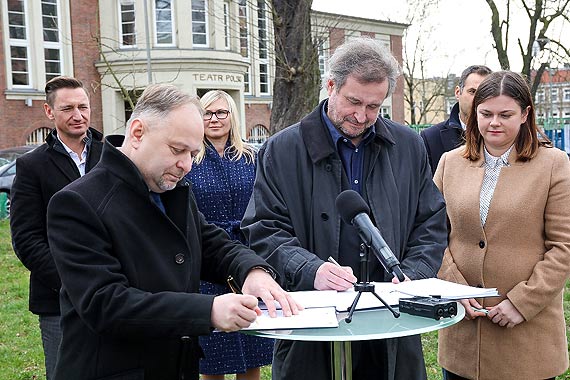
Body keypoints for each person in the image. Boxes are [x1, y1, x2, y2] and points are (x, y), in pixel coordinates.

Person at [46, 84, 300, 380]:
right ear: (138, 133)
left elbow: (211, 244)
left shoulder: (172, 189)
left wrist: (252, 271)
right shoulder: (78, 203)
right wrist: (207, 311)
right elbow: (105, 302)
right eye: (178, 150)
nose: (187, 165)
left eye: (193, 153)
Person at [242, 37, 447, 380]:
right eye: (354, 102)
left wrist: (413, 272)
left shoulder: (409, 145)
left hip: (391, 320)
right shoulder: (281, 150)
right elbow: (263, 229)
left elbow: (431, 222)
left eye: (374, 107)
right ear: (331, 86)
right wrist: (312, 269)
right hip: (312, 323)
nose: (362, 116)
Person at [434, 71, 570, 380]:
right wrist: (453, 286)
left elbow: (564, 247)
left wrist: (522, 303)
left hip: (525, 335)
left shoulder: (554, 165)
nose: (494, 122)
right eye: (486, 113)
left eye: (505, 114)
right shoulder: (449, 163)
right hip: (463, 335)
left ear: (525, 115)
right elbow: (431, 234)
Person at [10, 76, 103, 380]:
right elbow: (26, 238)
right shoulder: (31, 166)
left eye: (83, 107)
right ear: (50, 113)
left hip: (114, 290)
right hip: (58, 299)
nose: (78, 115)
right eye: (67, 109)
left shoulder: (111, 156)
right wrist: (70, 282)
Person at [185, 90, 273, 380]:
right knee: (214, 350)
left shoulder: (250, 156)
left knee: (251, 342)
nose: (214, 119)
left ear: (232, 116)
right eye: (207, 113)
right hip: (207, 255)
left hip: (246, 252)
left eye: (221, 112)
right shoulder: (190, 158)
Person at [421, 65, 492, 174]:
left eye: (484, 93)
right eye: (472, 92)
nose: (478, 98)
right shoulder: (431, 138)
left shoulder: (502, 136)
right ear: (458, 93)